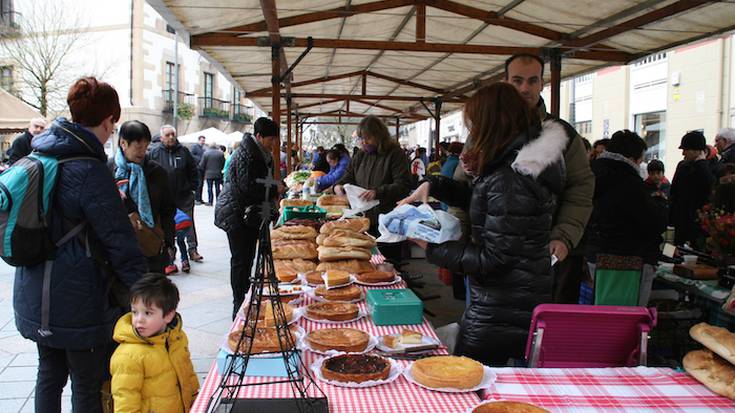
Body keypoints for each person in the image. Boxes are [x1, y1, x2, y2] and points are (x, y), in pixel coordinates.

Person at [400, 83, 566, 365]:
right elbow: (487, 201)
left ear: (490, 124)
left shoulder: (512, 177)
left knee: (474, 387)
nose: (472, 133)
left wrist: (433, 247)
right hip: (503, 303)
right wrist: (434, 184)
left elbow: (495, 259)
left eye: (474, 124)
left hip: (503, 312)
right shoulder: (511, 166)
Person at [14, 77, 147, 413]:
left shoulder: (42, 155)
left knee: (48, 375)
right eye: (112, 124)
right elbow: (119, 241)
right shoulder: (89, 169)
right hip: (78, 299)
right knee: (86, 386)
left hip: (35, 292)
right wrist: (145, 293)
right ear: (107, 121)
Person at [505, 53, 595, 305]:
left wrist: (564, 236)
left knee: (547, 333)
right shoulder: (487, 129)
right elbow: (467, 187)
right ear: (506, 83)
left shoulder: (563, 133)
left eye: (532, 81)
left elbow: (581, 187)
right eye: (517, 81)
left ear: (542, 84)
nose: (525, 88)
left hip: (548, 255)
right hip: (495, 256)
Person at [585, 130, 668, 306]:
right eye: (640, 159)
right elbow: (653, 221)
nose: (640, 163)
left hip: (596, 250)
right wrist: (660, 204)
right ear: (631, 157)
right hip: (630, 257)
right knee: (629, 317)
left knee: (602, 310)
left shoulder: (591, 173)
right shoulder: (629, 181)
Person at [215, 117, 281, 318]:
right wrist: (274, 187)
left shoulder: (259, 152)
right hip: (236, 215)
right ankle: (239, 305)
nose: (274, 143)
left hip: (248, 215)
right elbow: (248, 187)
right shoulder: (246, 154)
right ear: (259, 136)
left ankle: (246, 299)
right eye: (271, 139)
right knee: (241, 262)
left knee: (247, 259)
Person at [110, 274, 199, 412]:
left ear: (169, 315)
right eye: (135, 312)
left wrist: (195, 398)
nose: (139, 320)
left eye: (148, 313)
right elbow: (125, 403)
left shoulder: (177, 338)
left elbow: (188, 372)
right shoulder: (128, 356)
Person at [334, 115, 413, 261]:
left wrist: (378, 192)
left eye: (368, 138)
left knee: (388, 264)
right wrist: (338, 186)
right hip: (363, 219)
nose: (364, 142)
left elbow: (404, 185)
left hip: (389, 220)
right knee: (364, 260)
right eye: (361, 138)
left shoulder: (395, 154)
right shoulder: (360, 155)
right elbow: (348, 175)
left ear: (380, 135)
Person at [114, 120, 176, 273]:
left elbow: (168, 210)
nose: (143, 151)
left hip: (152, 247)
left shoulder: (157, 172)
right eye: (138, 146)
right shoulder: (109, 171)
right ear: (123, 143)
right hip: (119, 251)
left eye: (146, 146)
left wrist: (168, 243)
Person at [147, 125, 204, 262]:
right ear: (161, 138)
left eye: (173, 134)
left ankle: (192, 249)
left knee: (188, 223)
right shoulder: (154, 153)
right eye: (167, 135)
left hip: (184, 196)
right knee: (167, 224)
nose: (171, 137)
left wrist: (192, 187)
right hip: (164, 198)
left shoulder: (184, 151)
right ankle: (170, 251)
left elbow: (193, 170)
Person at [669, 130, 715, 248]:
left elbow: (709, 187)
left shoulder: (707, 167)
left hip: (697, 223)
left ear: (696, 150)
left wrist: (701, 164)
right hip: (680, 219)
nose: (683, 153)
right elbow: (674, 192)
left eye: (686, 150)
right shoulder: (682, 166)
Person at [168, 208, 194, 273]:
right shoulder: (173, 207)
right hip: (187, 222)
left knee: (169, 244)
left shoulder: (164, 210)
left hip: (178, 225)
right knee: (181, 242)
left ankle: (170, 265)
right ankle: (185, 262)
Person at [190, 135, 206, 205]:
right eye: (202, 140)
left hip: (202, 168)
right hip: (197, 168)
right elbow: (191, 155)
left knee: (201, 184)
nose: (203, 142)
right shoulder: (195, 147)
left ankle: (199, 198)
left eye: (204, 141)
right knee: (199, 184)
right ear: (199, 140)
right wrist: (200, 159)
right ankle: (197, 199)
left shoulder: (202, 148)